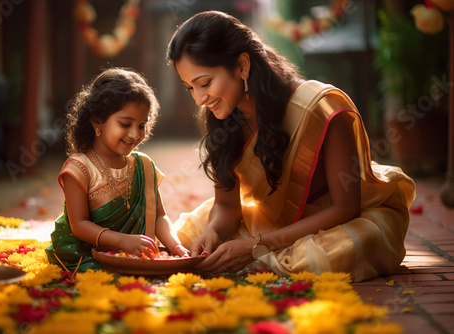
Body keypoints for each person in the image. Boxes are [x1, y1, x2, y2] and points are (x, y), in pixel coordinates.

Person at [167, 11, 415, 282]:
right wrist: (214, 231)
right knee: (189, 239)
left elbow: (346, 208)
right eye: (189, 88)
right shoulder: (223, 120)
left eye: (204, 83)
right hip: (269, 223)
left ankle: (264, 256)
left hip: (337, 222)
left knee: (320, 259)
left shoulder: (320, 107)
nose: (200, 99)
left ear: (242, 66)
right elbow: (227, 205)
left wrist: (257, 245)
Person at [45, 67, 189, 271]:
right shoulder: (79, 168)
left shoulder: (144, 165)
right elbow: (79, 225)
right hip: (87, 253)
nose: (134, 134)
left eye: (141, 125)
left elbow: (159, 216)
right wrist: (122, 242)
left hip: (137, 255)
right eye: (125, 124)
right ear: (97, 120)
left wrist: (175, 247)